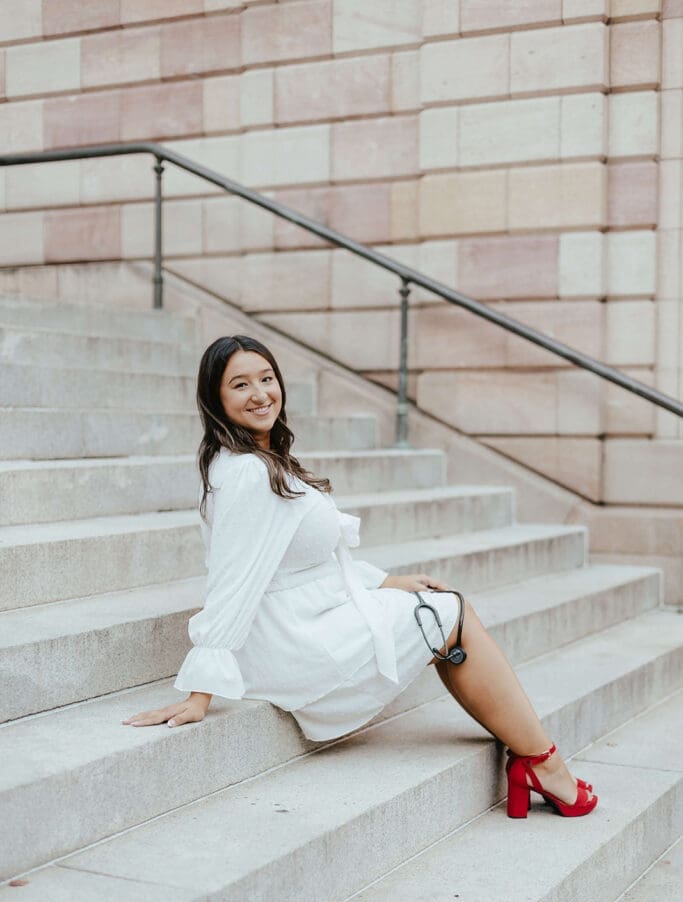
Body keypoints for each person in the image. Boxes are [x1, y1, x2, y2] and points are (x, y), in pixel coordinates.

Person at [122, 335, 597, 819]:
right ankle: (544, 764)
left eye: (267, 379)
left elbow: (310, 559)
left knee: (442, 608)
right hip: (291, 639)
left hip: (304, 614)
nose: (260, 394)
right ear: (216, 400)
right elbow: (231, 580)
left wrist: (384, 582)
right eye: (240, 385)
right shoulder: (247, 474)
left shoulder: (258, 461)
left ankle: (537, 760)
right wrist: (201, 687)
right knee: (447, 614)